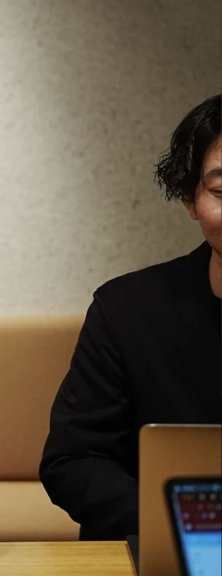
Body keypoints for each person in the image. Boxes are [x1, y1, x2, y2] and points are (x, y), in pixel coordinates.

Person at [40, 94, 222, 541]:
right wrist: (180, 526)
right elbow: (75, 459)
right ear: (190, 199)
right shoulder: (126, 310)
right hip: (163, 547)